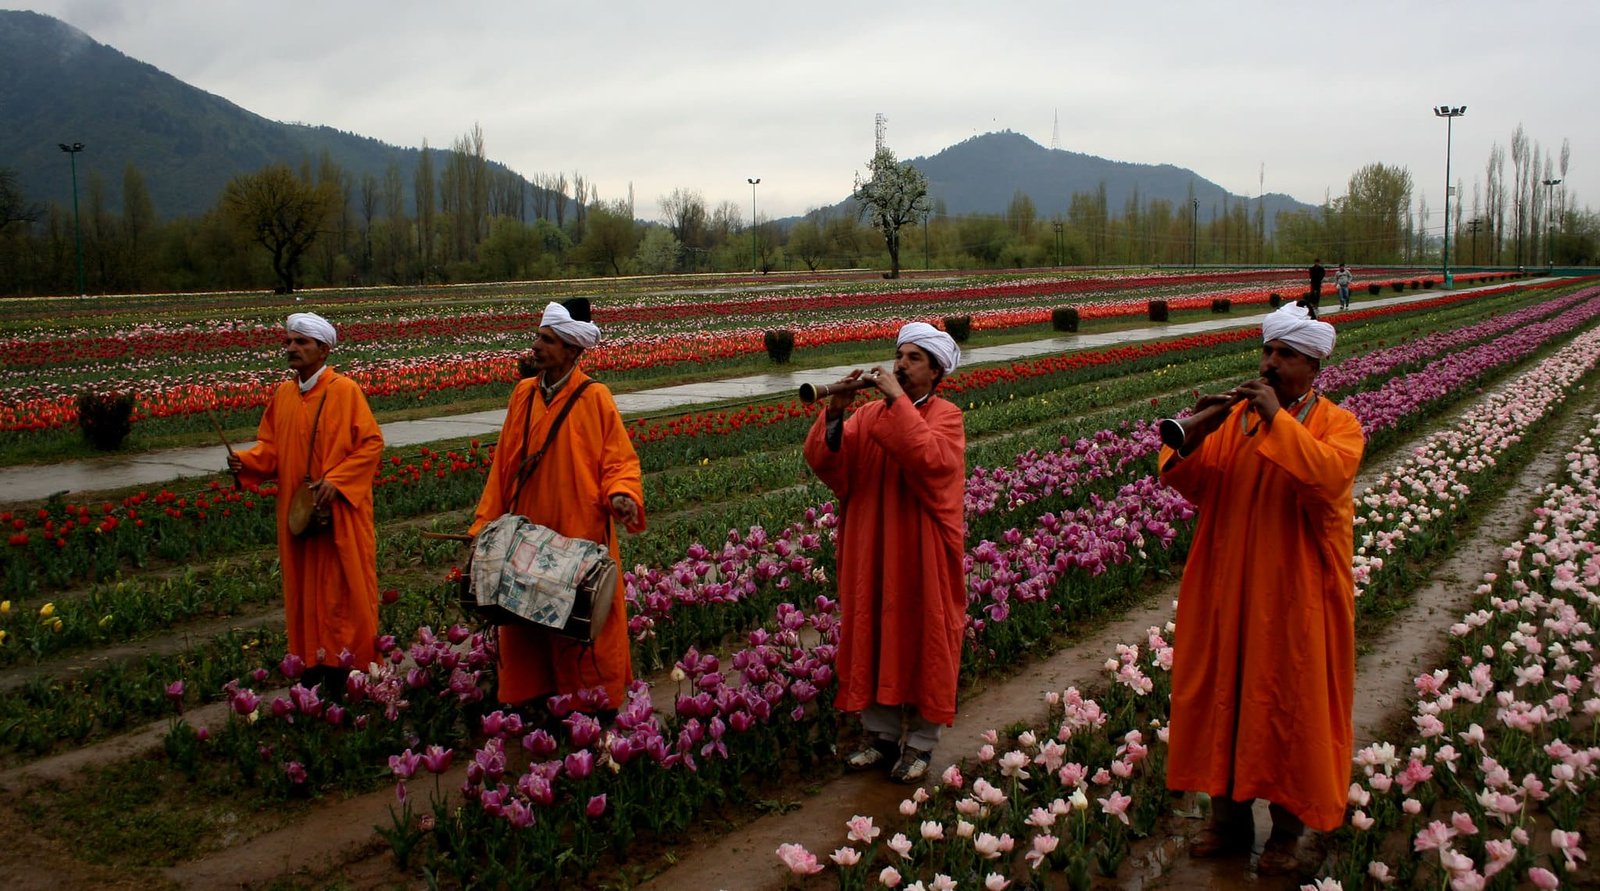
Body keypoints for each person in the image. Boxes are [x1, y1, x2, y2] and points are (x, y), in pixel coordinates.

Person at [1157, 301, 1364, 875]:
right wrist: (1196, 435)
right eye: (1268, 352)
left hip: (1294, 595)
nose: (1271, 364)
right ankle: (1229, 822)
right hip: (1226, 586)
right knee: (1223, 697)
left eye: (1286, 355)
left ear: (1314, 366)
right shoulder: (1237, 420)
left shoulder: (1337, 425)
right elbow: (1190, 483)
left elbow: (1326, 478)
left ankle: (1285, 833)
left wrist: (1279, 421)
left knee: (1285, 708)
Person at [803, 322, 966, 784]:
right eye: (900, 355)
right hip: (872, 544)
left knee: (924, 637)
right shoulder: (870, 415)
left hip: (920, 550)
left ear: (936, 372)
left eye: (914, 358)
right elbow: (833, 466)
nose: (900, 364)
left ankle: (920, 744)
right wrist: (835, 414)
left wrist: (895, 400)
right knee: (875, 631)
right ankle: (881, 737)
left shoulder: (946, 416)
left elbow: (931, 460)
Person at [469, 297, 645, 718]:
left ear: (572, 349)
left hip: (576, 534)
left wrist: (621, 493)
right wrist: (483, 527)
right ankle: (534, 706)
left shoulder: (594, 397)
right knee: (524, 624)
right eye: (537, 337)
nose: (536, 346)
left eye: (547, 339)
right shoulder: (523, 396)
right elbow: (503, 468)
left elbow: (619, 461)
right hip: (527, 534)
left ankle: (591, 709)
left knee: (579, 626)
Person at [229, 312, 385, 695]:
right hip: (299, 516)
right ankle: (310, 663)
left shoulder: (344, 391)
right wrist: (247, 461)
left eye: (301, 342)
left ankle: (345, 665)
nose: (292, 349)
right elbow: (272, 449)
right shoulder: (283, 395)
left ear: (323, 349)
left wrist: (337, 480)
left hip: (337, 514)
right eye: (288, 342)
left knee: (340, 590)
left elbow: (371, 444)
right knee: (303, 590)